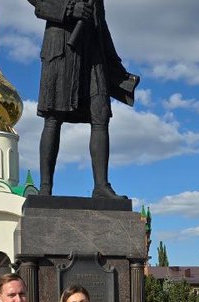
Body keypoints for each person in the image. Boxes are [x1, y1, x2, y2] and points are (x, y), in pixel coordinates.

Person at [27, 0, 139, 200]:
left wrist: (114, 65)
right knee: (53, 116)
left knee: (101, 115)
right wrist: (68, 9)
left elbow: (101, 23)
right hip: (61, 44)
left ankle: (101, 187)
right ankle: (45, 188)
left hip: (93, 51)